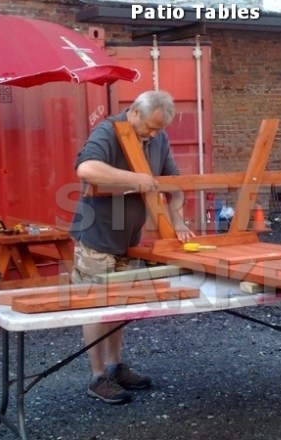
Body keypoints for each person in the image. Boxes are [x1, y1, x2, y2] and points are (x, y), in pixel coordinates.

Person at [69, 90, 195, 405]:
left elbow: (174, 184)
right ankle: (98, 376)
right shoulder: (108, 131)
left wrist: (178, 220)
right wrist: (135, 179)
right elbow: (86, 169)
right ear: (135, 112)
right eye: (150, 127)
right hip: (97, 238)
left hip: (129, 241)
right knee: (96, 306)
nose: (152, 134)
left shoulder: (158, 138)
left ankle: (115, 366)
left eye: (159, 129)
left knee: (120, 305)